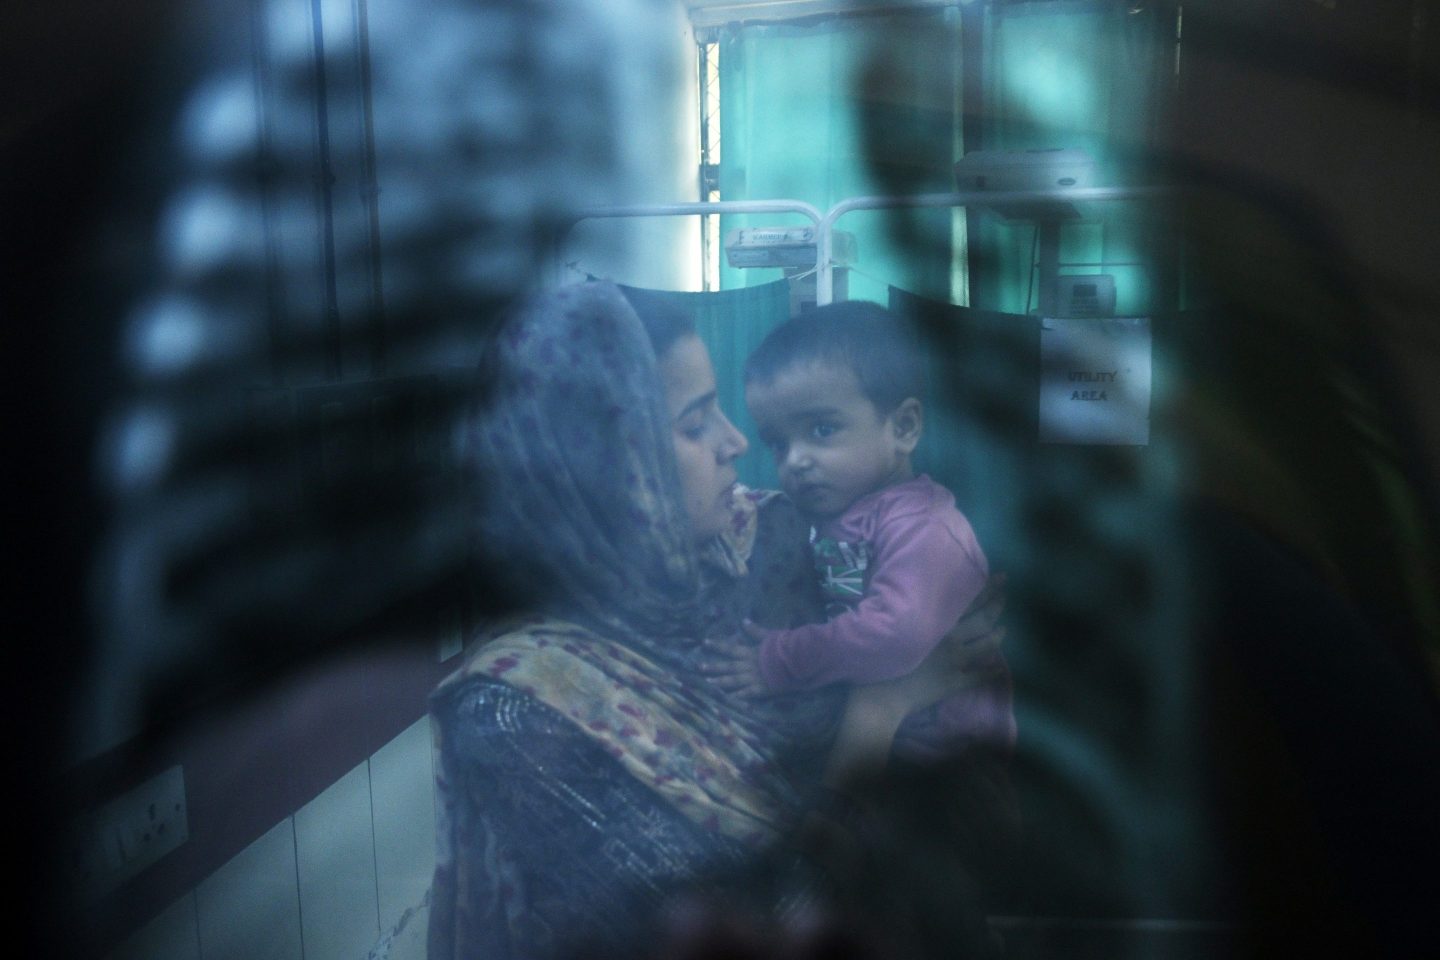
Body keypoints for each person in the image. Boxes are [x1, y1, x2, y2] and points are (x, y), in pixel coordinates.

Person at [427, 282, 1008, 960]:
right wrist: (882, 716)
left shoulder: (769, 534)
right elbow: (747, 932)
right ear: (605, 464)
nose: (737, 444)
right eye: (695, 424)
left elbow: (931, 625)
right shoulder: (523, 710)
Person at [705, 302, 1013, 771]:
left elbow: (895, 635)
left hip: (951, 761)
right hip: (892, 747)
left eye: (822, 429)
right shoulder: (829, 513)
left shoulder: (924, 527)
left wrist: (778, 661)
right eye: (778, 443)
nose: (796, 460)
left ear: (903, 428)